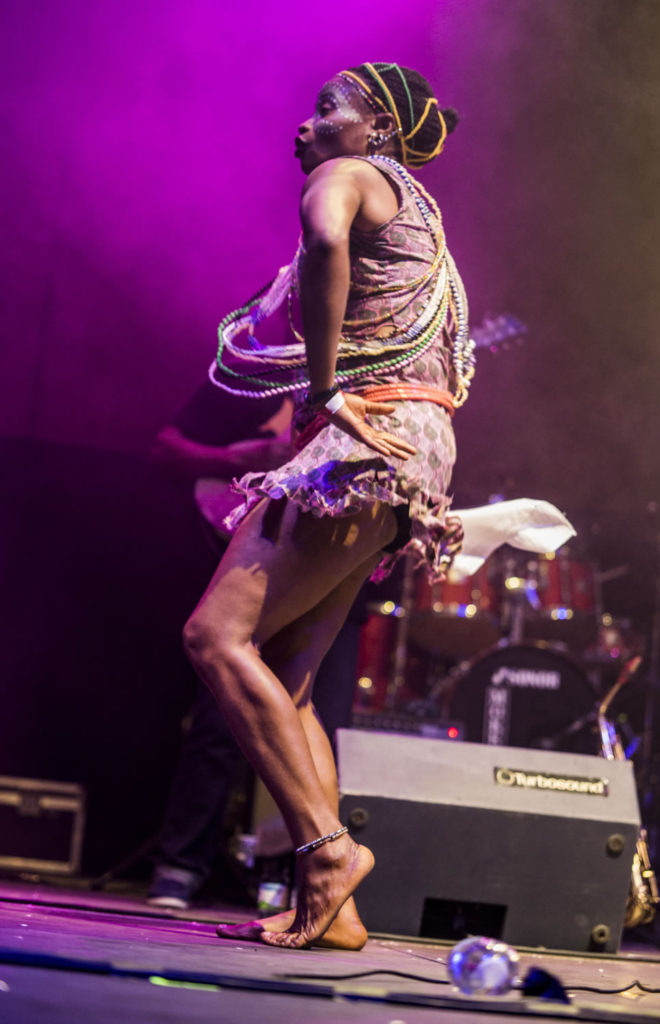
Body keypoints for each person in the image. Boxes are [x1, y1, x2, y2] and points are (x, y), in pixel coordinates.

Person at [182, 62, 471, 950]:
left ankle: (328, 853)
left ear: (376, 128)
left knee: (215, 638)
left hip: (366, 435)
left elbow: (322, 243)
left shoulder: (346, 175)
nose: (303, 127)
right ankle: (334, 909)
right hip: (414, 442)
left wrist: (324, 387)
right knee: (288, 672)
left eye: (326, 110)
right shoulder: (421, 209)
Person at [146, 384, 365, 909]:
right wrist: (235, 459)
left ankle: (318, 872)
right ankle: (187, 864)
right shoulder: (254, 377)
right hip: (268, 547)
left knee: (307, 707)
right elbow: (165, 448)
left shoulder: (365, 374)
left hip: (327, 536)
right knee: (228, 714)